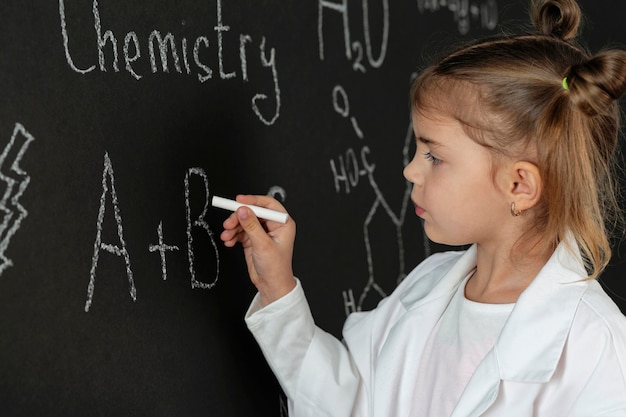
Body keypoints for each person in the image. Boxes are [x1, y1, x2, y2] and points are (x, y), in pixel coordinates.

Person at [219, 0, 626, 415]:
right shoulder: (426, 288)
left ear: (519, 185)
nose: (411, 170)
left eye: (434, 157)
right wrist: (278, 289)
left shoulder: (597, 352)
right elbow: (351, 402)